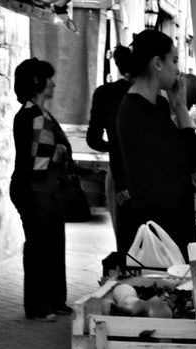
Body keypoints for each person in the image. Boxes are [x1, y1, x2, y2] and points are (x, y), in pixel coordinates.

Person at [116, 30, 196, 262]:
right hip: (160, 233)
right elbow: (192, 159)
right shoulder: (136, 112)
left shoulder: (155, 105)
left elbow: (191, 155)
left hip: (172, 225)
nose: (178, 71)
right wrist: (180, 108)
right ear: (157, 63)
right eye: (175, 60)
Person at [9, 57, 72, 322]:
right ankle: (39, 305)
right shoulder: (35, 116)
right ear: (38, 82)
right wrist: (59, 154)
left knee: (50, 244)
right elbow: (42, 161)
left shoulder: (35, 113)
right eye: (49, 78)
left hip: (41, 190)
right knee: (40, 247)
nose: (54, 83)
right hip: (37, 191)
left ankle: (53, 301)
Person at [87, 46, 132, 247]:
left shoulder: (104, 93)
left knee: (123, 239)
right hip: (148, 178)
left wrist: (113, 146)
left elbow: (93, 139)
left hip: (118, 174)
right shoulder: (155, 97)